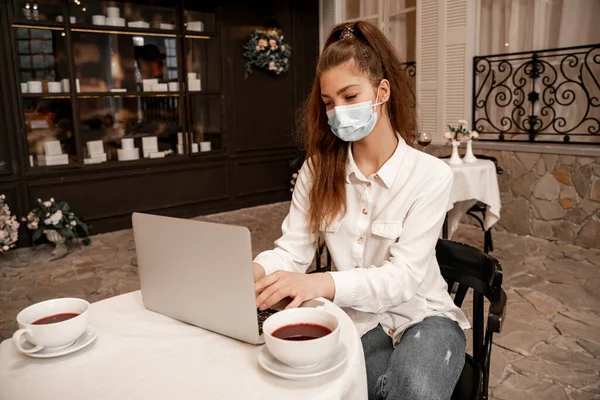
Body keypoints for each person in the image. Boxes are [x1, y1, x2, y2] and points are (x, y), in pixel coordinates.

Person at [252, 21, 470, 400]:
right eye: (329, 102)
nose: (338, 112)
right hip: (358, 320)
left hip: (424, 314)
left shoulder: (431, 175)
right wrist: (252, 271)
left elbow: (403, 278)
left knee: (415, 390)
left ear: (382, 91)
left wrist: (322, 283)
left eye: (350, 96)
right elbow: (292, 251)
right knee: (348, 391)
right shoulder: (317, 170)